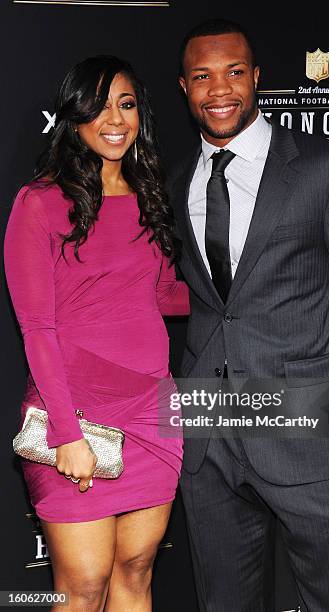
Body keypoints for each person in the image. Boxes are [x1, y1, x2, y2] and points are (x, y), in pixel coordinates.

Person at [171, 19, 329, 612]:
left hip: (313, 422)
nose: (219, 90)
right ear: (184, 88)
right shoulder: (175, 185)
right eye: (202, 77)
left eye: (234, 73)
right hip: (209, 433)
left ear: (257, 79)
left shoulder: (326, 170)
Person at [4, 55, 189, 612]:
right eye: (100, 106)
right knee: (82, 588)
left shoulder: (149, 198)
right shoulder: (39, 203)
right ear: (75, 116)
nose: (115, 119)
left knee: (134, 572)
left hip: (153, 415)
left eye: (127, 104)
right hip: (75, 417)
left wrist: (245, 285)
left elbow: (165, 297)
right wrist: (66, 433)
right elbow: (36, 329)